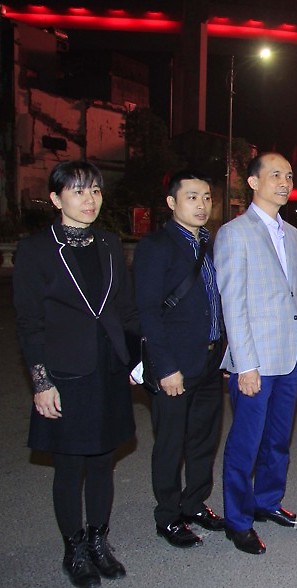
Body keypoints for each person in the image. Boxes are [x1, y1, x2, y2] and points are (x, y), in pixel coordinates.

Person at [12, 160, 137, 588]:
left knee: (103, 461)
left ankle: (99, 541)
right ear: (55, 198)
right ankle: (75, 549)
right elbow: (29, 323)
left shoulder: (109, 243)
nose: (89, 200)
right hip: (66, 372)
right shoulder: (36, 250)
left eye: (95, 191)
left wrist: (135, 360)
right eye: (78, 191)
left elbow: (124, 310)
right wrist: (41, 381)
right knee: (69, 466)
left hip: (108, 368)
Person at [214, 152, 297, 555]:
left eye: (289, 176)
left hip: (288, 354)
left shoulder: (291, 233)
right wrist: (245, 365)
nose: (284, 182)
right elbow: (232, 303)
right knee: (246, 443)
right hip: (255, 360)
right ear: (253, 182)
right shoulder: (234, 233)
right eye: (275, 175)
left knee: (278, 439)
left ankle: (268, 501)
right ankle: (238, 521)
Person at [132, 170, 226, 549]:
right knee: (171, 444)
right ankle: (168, 515)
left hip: (210, 361)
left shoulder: (210, 245)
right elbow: (147, 312)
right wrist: (166, 367)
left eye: (206, 197)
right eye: (192, 197)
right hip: (175, 366)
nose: (201, 205)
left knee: (203, 439)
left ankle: (195, 503)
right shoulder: (157, 246)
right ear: (172, 202)